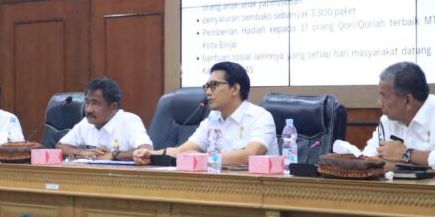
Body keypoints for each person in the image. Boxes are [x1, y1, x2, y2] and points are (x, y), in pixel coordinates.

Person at [133, 61, 279, 166]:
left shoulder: (260, 117)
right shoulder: (213, 118)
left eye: (214, 85)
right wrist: (151, 154)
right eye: (207, 86)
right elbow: (182, 151)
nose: (208, 92)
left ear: (235, 89)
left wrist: (204, 158)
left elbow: (250, 156)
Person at [363, 62, 435, 174]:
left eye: (384, 97)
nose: (379, 103)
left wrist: (406, 154)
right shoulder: (387, 119)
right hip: (401, 185)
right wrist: (417, 162)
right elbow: (368, 158)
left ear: (407, 100)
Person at [57, 77, 152, 161]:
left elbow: (146, 152)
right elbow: (60, 146)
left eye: (95, 103)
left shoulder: (130, 121)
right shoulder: (86, 122)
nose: (88, 109)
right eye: (87, 102)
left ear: (113, 107)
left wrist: (113, 155)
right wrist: (85, 152)